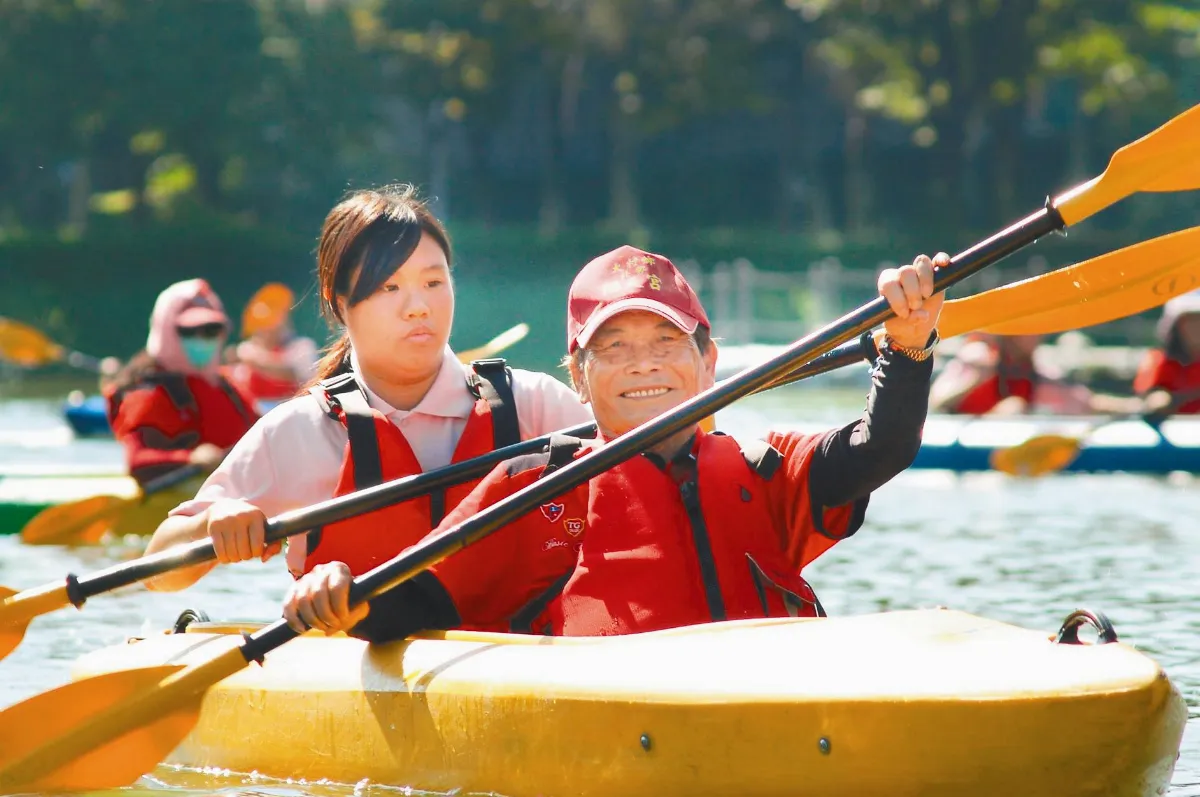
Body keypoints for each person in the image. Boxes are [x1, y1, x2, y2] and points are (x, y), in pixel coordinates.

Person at [280, 245, 942, 640]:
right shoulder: (535, 489)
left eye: (666, 341)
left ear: (708, 362)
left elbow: (880, 448)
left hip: (776, 720)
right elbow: (416, 601)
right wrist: (341, 594)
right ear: (578, 375)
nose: (644, 363)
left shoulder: (764, 469)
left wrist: (909, 346)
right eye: (615, 347)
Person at [143, 184, 592, 590]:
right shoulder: (300, 431)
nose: (418, 307)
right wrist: (212, 523)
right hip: (357, 649)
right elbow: (158, 574)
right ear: (340, 304)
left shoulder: (536, 404)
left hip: (518, 649)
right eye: (389, 287)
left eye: (434, 282)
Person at [103, 279, 259, 488]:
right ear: (166, 329)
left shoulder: (229, 386)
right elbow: (137, 461)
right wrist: (190, 458)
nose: (202, 339)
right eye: (189, 331)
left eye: (211, 330)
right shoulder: (149, 394)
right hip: (183, 495)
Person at [929, 333, 1140, 416]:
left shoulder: (1036, 372)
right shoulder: (977, 356)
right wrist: (977, 379)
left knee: (1018, 407)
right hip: (967, 441)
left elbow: (1086, 402)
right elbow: (937, 404)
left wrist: (1136, 406)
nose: (1037, 336)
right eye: (1028, 331)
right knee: (1014, 407)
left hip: (1010, 446)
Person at [226, 282, 319, 408]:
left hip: (293, 412)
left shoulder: (302, 346)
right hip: (255, 415)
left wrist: (253, 358)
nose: (268, 329)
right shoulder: (247, 350)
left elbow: (296, 372)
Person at [1134, 289, 1200, 418]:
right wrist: (1160, 400)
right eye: (1190, 320)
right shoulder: (1158, 361)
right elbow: (1153, 397)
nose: (1196, 327)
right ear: (1175, 326)